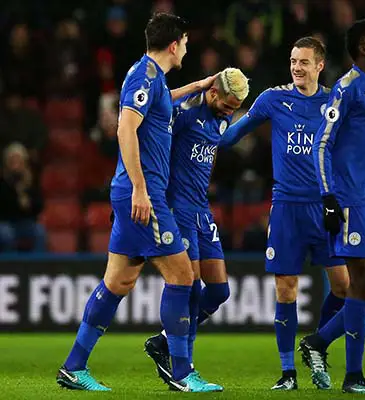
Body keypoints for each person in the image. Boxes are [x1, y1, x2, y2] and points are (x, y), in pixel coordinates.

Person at [56, 13, 220, 392]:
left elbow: (160, 103)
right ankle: (181, 373)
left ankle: (73, 367)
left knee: (118, 281)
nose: (187, 49)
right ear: (175, 44)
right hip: (143, 195)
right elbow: (125, 127)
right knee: (183, 276)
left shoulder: (153, 78)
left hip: (134, 192)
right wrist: (140, 189)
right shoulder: (144, 77)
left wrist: (195, 86)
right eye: (185, 43)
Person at [219, 37, 349, 391]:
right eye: (293, 61)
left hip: (325, 207)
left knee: (344, 286)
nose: (296, 67)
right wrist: (207, 122)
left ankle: (317, 345)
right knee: (286, 289)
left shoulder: (335, 102)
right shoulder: (272, 99)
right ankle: (288, 372)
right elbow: (231, 137)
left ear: (320, 65)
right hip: (287, 208)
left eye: (304, 62)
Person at [298, 19, 365, 394]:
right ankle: (353, 376)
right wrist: (328, 197)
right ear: (362, 48)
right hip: (350, 201)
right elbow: (321, 144)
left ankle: (318, 341)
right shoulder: (347, 87)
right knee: (362, 282)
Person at [143, 67, 250, 389]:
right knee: (188, 286)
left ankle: (163, 341)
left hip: (201, 208)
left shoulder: (222, 118)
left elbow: (209, 153)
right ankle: (184, 368)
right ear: (213, 93)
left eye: (235, 109)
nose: (230, 112)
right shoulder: (184, 112)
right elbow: (149, 131)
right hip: (176, 207)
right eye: (228, 105)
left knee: (218, 291)